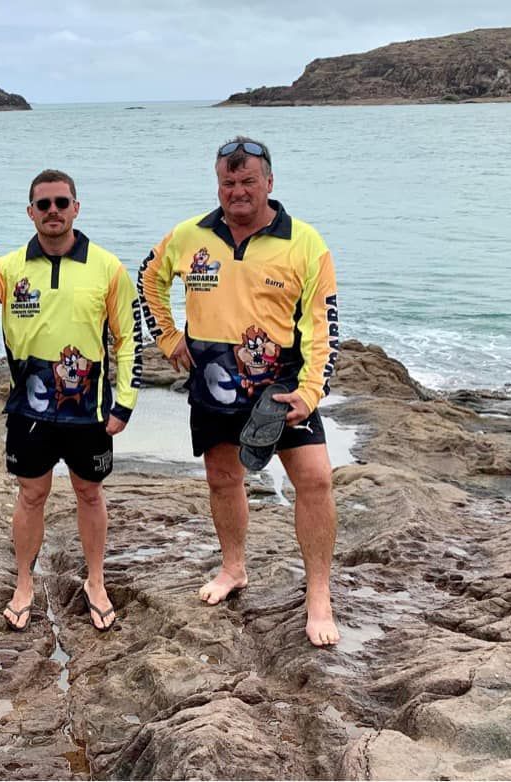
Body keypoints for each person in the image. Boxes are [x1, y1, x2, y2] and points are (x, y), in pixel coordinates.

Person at [137, 136, 341, 646]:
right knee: (224, 478)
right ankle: (233, 568)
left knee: (315, 479)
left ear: (269, 182)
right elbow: (148, 279)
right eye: (228, 182)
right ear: (218, 185)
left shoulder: (305, 243)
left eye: (248, 180)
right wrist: (168, 337)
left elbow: (323, 325)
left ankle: (319, 596)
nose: (238, 191)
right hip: (213, 380)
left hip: (282, 383)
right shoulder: (189, 236)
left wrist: (311, 391)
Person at [0, 169, 143, 632]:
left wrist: (125, 403)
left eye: (61, 203)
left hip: (89, 410)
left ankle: (96, 581)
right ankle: (23, 583)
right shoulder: (9, 269)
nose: (53, 211)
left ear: (76, 208)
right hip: (29, 410)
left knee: (89, 493)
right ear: (30, 212)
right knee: (31, 495)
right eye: (44, 204)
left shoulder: (107, 268)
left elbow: (129, 338)